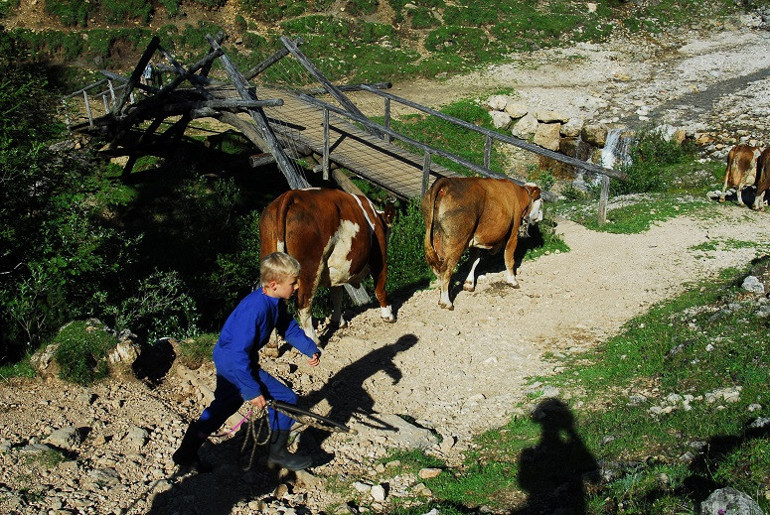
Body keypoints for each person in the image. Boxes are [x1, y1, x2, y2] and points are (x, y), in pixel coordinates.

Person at [172, 252, 322, 472]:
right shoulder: (255, 309)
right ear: (274, 284)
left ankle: (185, 453)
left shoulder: (275, 302)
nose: (297, 286)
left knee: (224, 406)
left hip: (235, 359)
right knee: (285, 398)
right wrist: (251, 390)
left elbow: (288, 327)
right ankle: (278, 453)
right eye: (293, 282)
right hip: (234, 361)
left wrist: (309, 349)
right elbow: (237, 353)